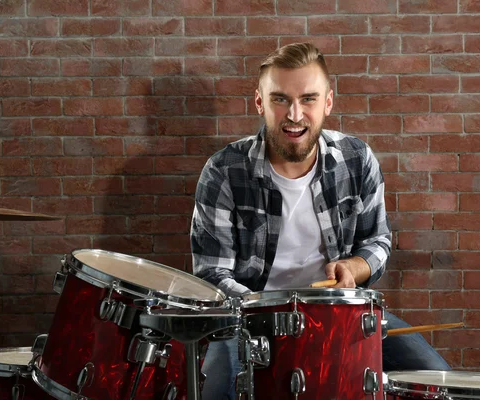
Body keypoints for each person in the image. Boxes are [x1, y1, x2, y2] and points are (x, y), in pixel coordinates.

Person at [191, 42, 450, 399]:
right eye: (280, 99)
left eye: (308, 99)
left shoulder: (356, 159)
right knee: (217, 388)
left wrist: (354, 269)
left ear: (328, 102)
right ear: (259, 102)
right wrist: (273, 310)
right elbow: (211, 274)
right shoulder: (223, 170)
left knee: (437, 381)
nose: (295, 115)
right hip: (249, 320)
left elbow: (377, 242)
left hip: (342, 315)